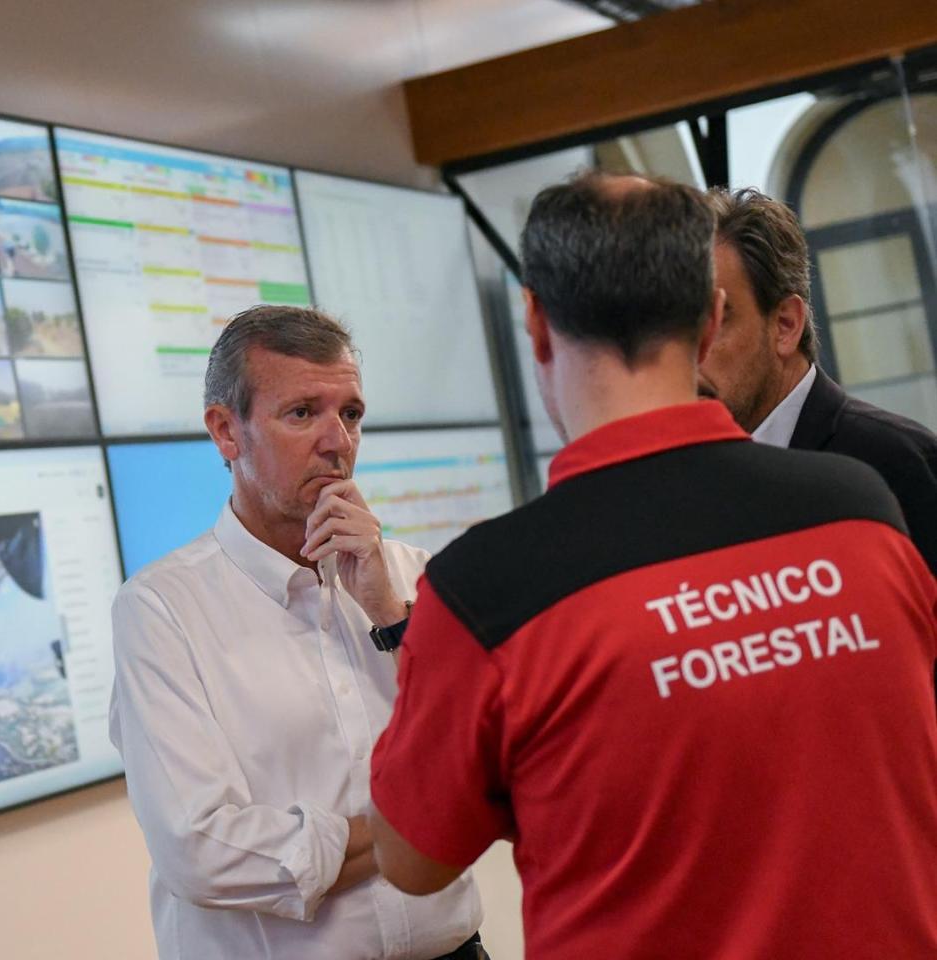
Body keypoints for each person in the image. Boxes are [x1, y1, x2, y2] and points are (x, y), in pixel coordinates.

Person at [368, 173, 937, 958]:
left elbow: (411, 859)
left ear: (536, 324)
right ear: (710, 320)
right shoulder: (860, 509)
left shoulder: (487, 589)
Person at [108, 305, 486, 960]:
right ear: (226, 432)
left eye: (352, 414)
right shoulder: (161, 610)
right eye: (303, 412)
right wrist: (414, 828)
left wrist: (391, 617)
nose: (338, 442)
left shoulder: (412, 576)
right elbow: (202, 851)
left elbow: (489, 758)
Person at [698, 186, 937, 570]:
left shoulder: (899, 463)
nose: (686, 354)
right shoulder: (686, 485)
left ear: (785, 325)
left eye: (711, 322)